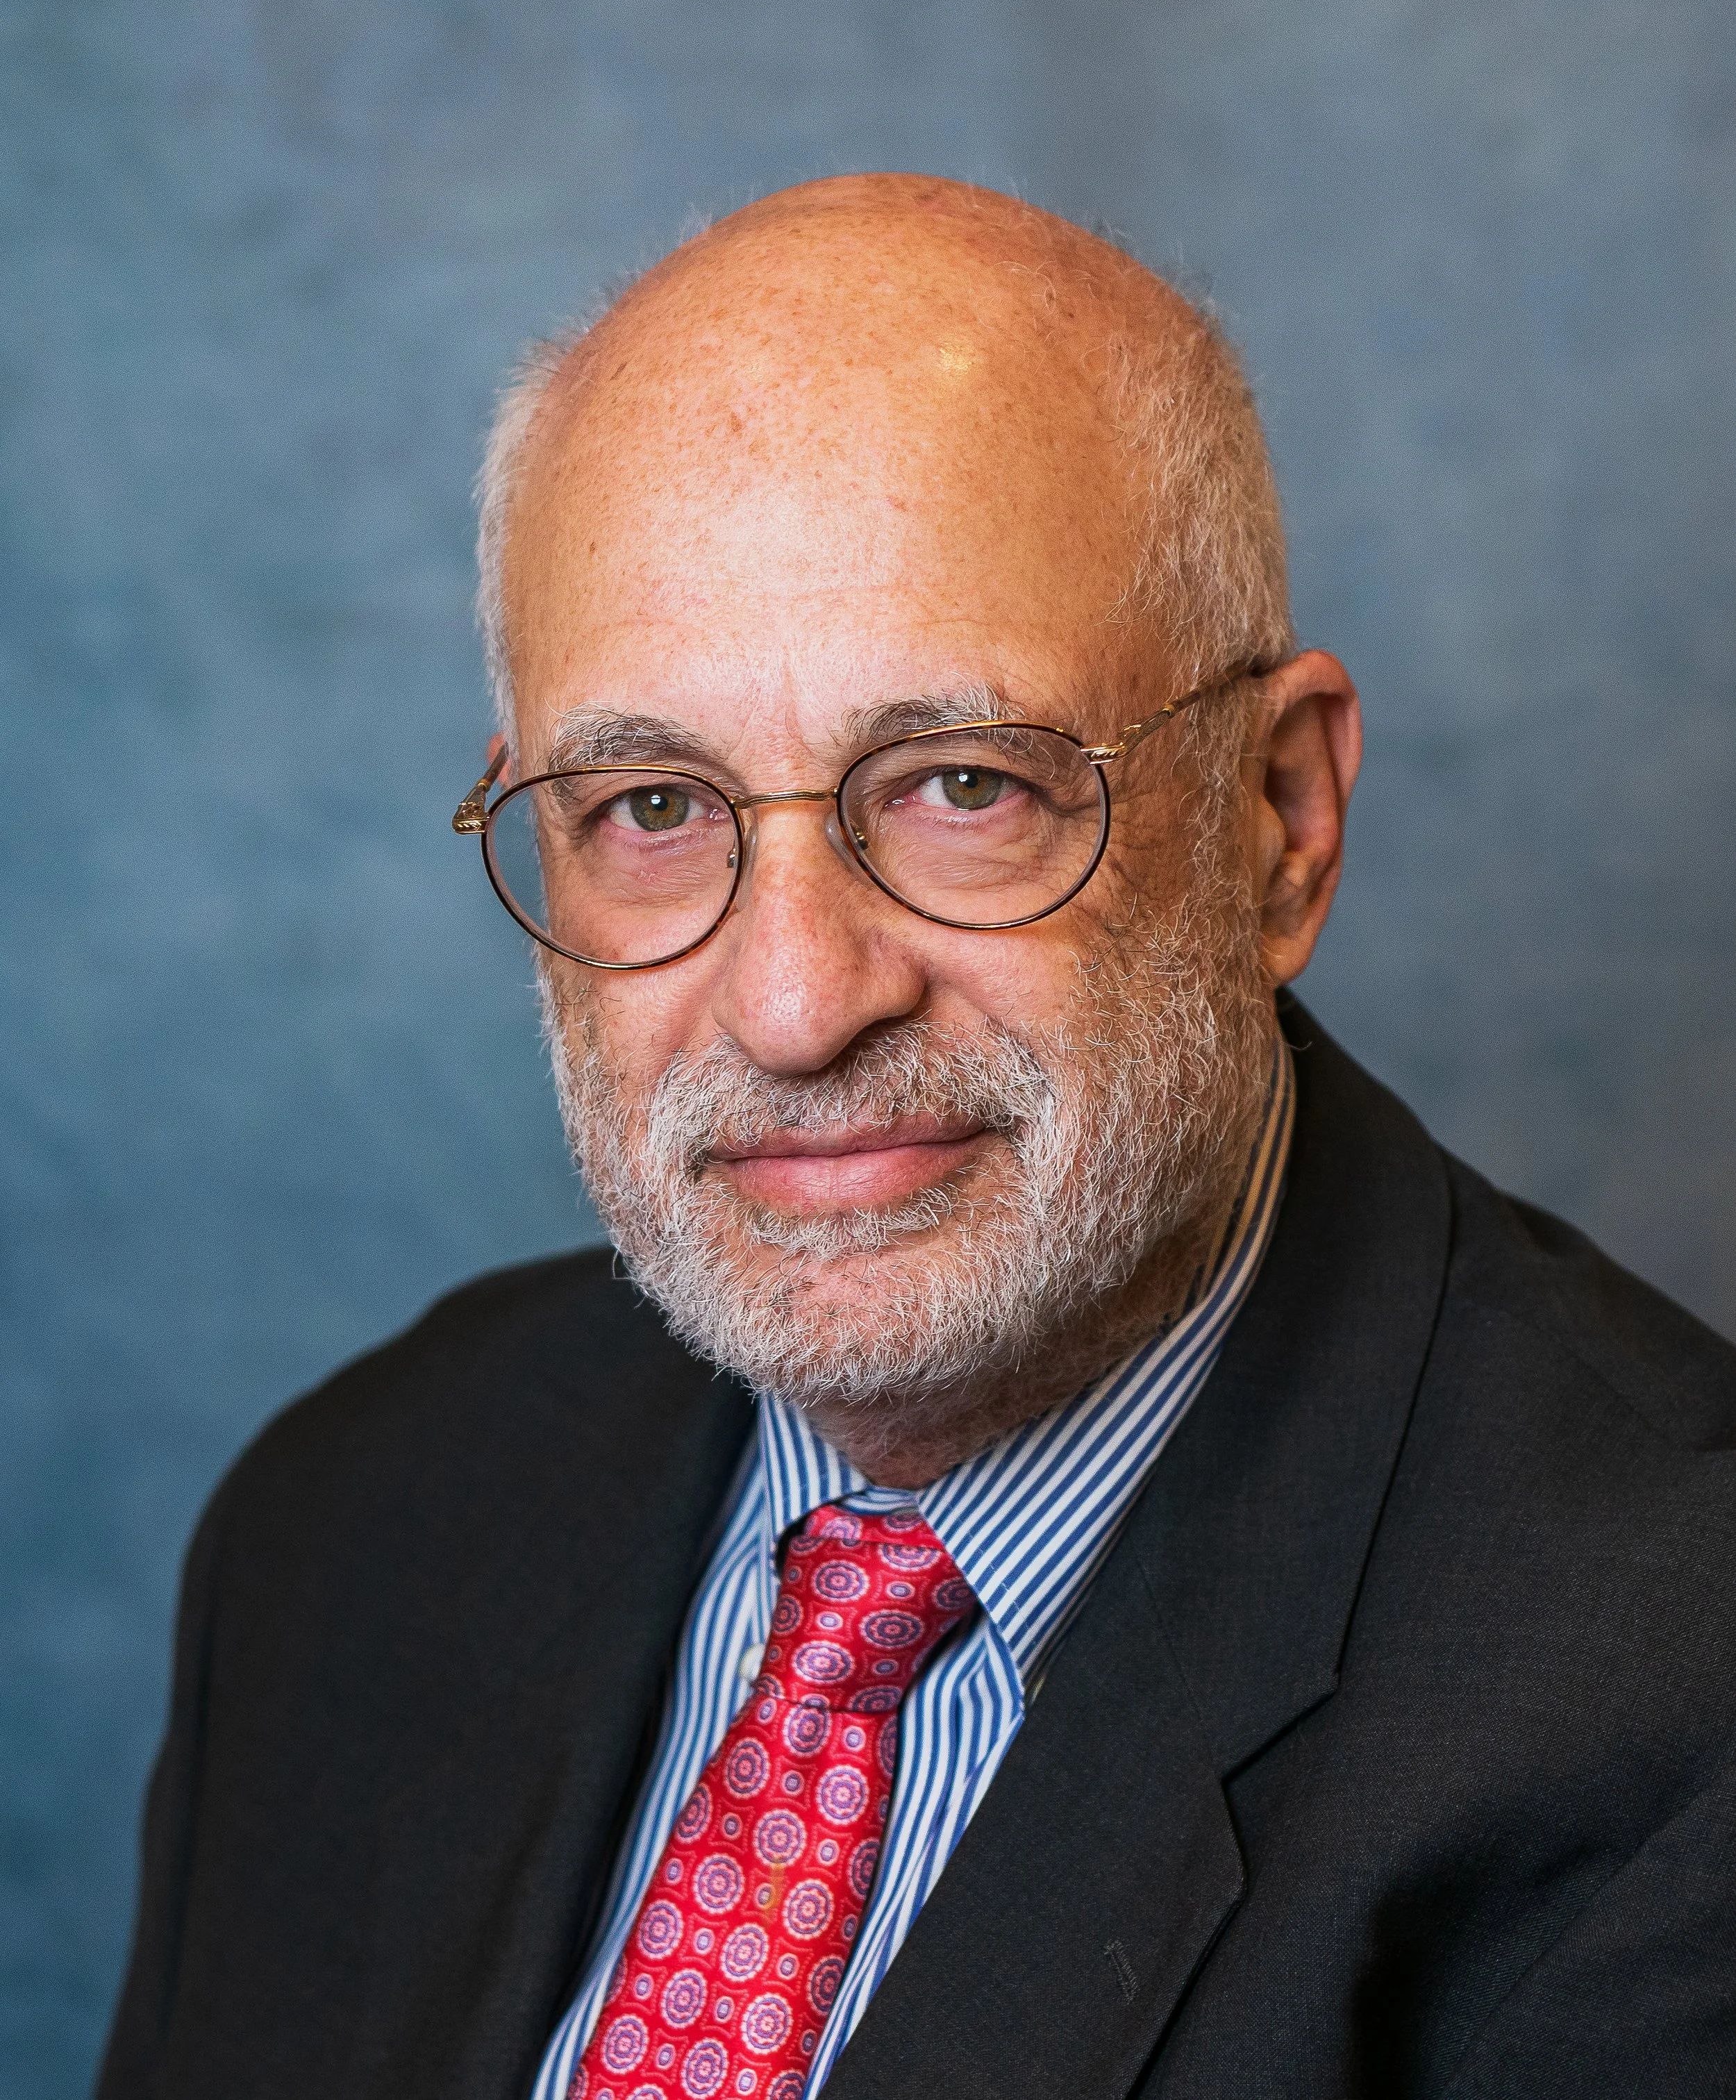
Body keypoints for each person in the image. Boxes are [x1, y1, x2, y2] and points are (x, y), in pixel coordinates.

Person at [96, 176, 1735, 2100]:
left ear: (1276, 820)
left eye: (965, 784)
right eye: (646, 806)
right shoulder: (354, 1523)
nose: (794, 1002)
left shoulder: (1673, 1721)